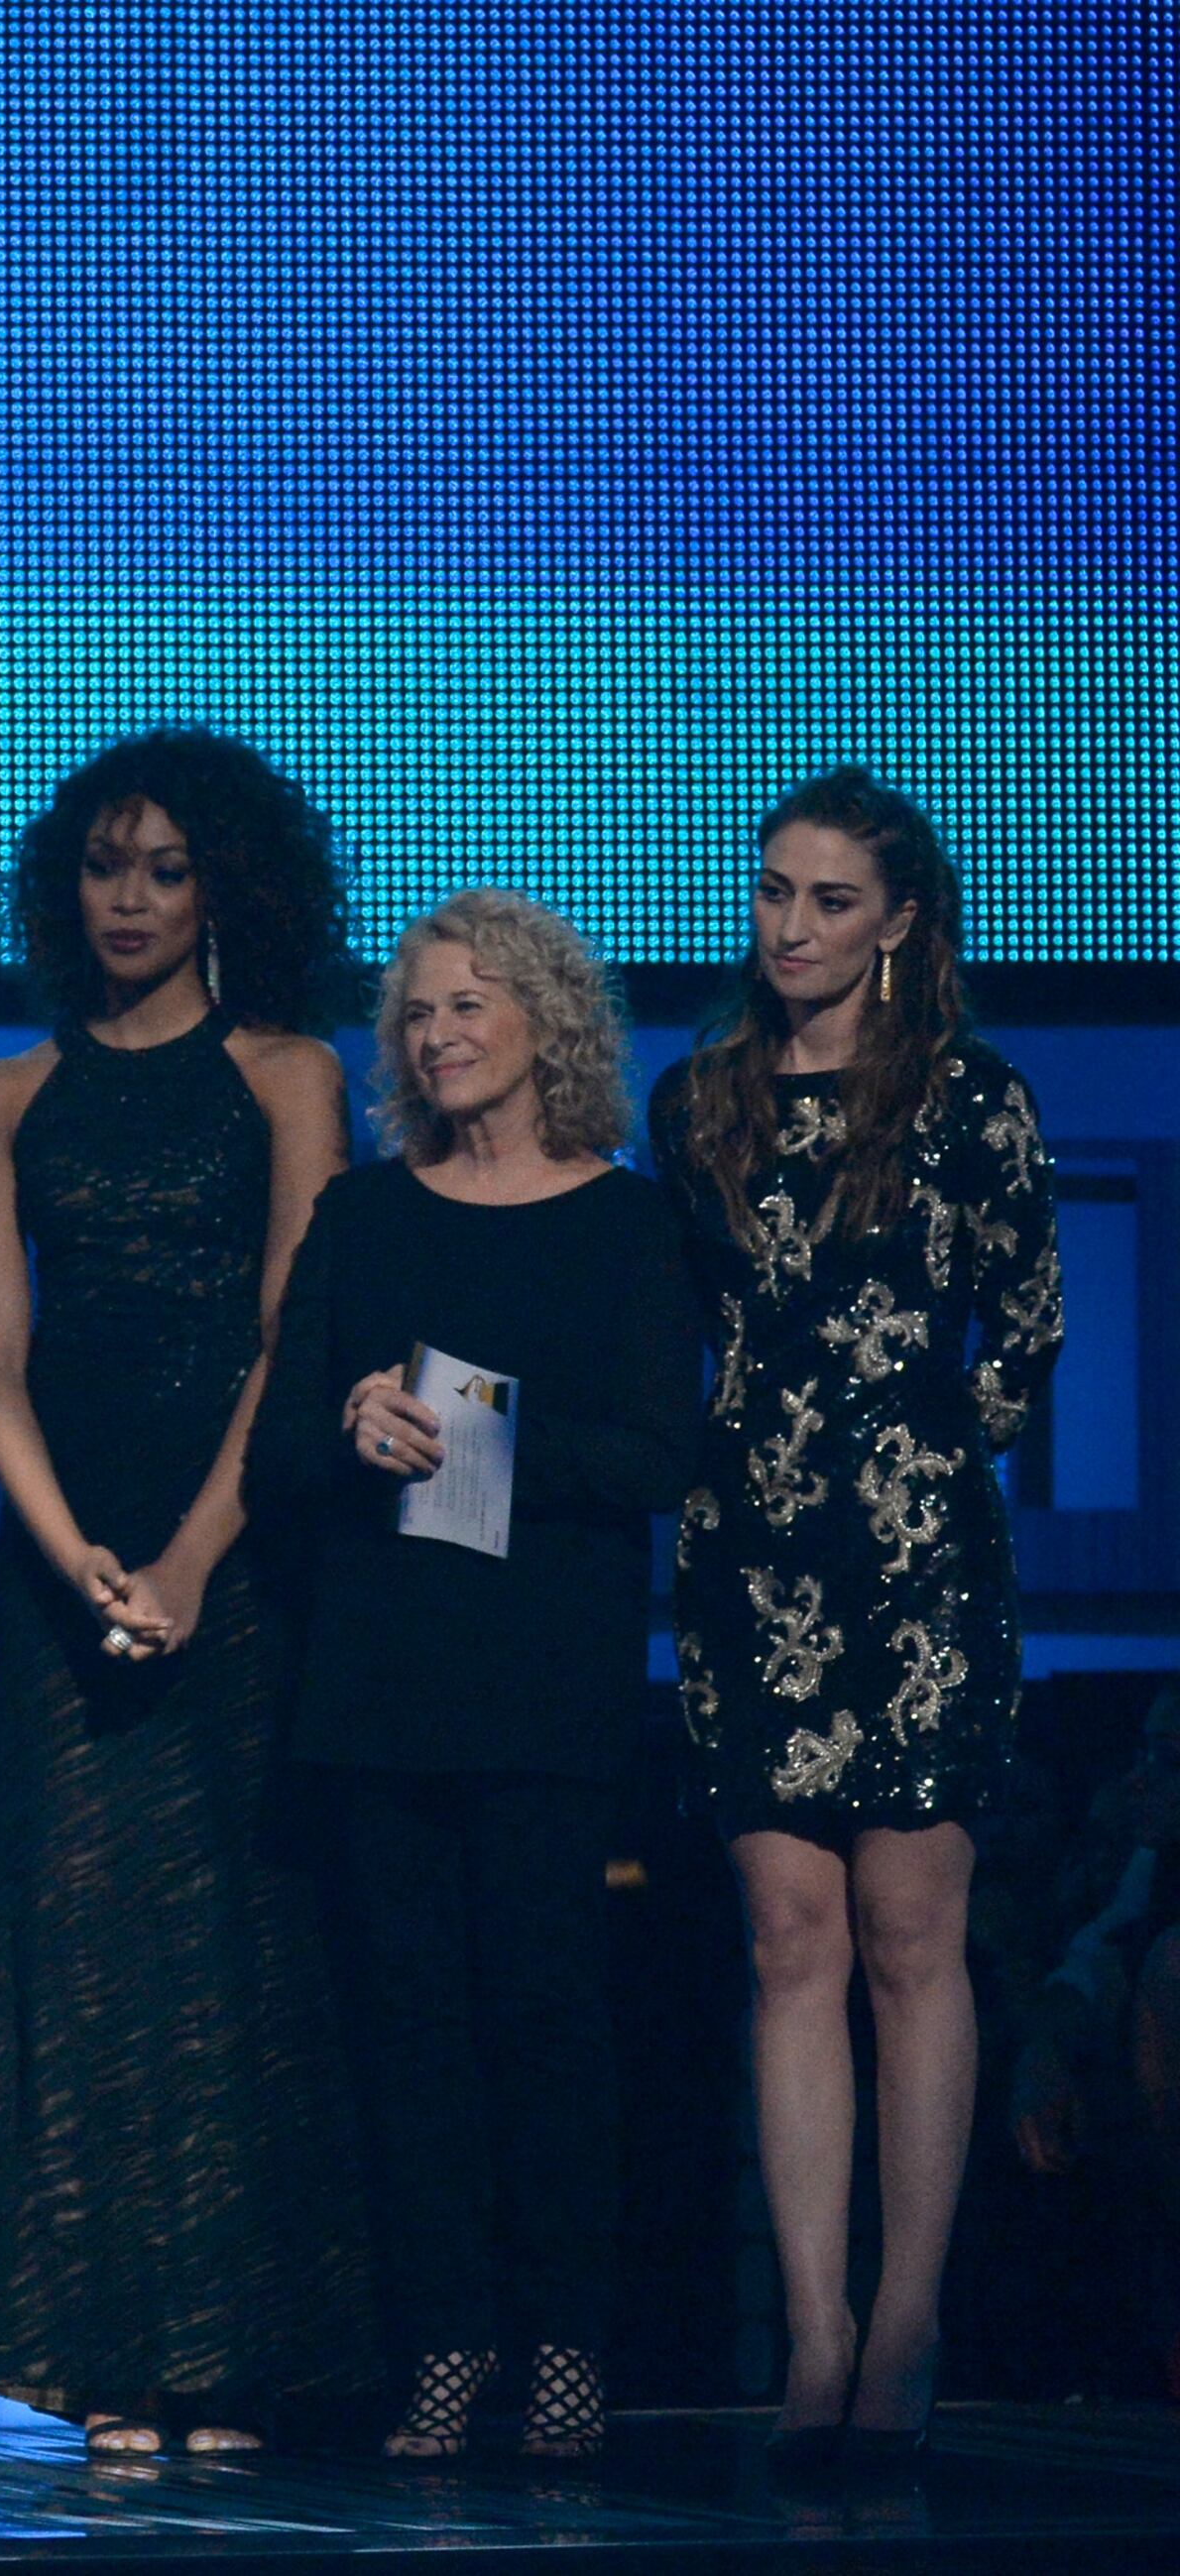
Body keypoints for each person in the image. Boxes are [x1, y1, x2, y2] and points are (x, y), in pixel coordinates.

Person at [0, 729, 374, 2454]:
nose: (130, 896)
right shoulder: (5, 1094)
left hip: (236, 1558)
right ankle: (108, 2351)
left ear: (223, 889)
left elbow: (292, 1333)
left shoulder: (288, 1078)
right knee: (82, 1945)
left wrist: (187, 1558)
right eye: (107, 865)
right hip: (65, 1571)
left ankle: (231, 2347)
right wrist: (75, 1558)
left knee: (236, 1944)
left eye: (165, 868)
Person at [245, 890, 701, 2462]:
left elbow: (661, 1450)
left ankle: (566, 2340)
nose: (438, 1032)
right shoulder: (367, 1219)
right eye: (419, 1010)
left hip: (543, 1687)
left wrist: (487, 1428)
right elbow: (282, 1453)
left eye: (468, 1005)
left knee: (547, 2015)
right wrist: (359, 1425)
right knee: (413, 2029)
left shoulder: (626, 1222)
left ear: (546, 1023)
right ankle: (442, 2346)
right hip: (383, 1682)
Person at [650, 766, 1061, 2471]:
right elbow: (659, 1324)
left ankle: (908, 2319)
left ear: (899, 920)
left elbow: (1024, 1334)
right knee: (787, 1942)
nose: (792, 927)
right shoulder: (703, 1101)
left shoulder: (970, 1098)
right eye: (773, 893)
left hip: (914, 1563)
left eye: (828, 899)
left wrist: (916, 1455)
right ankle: (813, 2325)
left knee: (910, 1934)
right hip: (751, 1560)